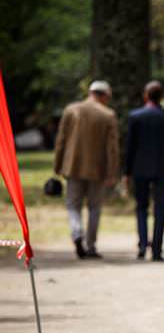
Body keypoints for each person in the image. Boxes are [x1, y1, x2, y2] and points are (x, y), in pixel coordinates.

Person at [53, 80, 119, 259]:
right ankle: (91, 246)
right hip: (97, 169)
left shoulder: (71, 109)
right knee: (95, 207)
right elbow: (112, 148)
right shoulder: (108, 115)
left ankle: (77, 233)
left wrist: (57, 165)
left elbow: (61, 140)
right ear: (104, 96)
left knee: (73, 205)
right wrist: (112, 172)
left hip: (72, 166)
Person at [124, 80, 164, 262]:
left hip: (139, 169)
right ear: (162, 97)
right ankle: (157, 250)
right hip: (162, 169)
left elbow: (129, 147)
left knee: (141, 208)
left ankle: (142, 246)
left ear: (145, 95)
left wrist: (126, 172)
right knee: (160, 210)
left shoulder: (135, 116)